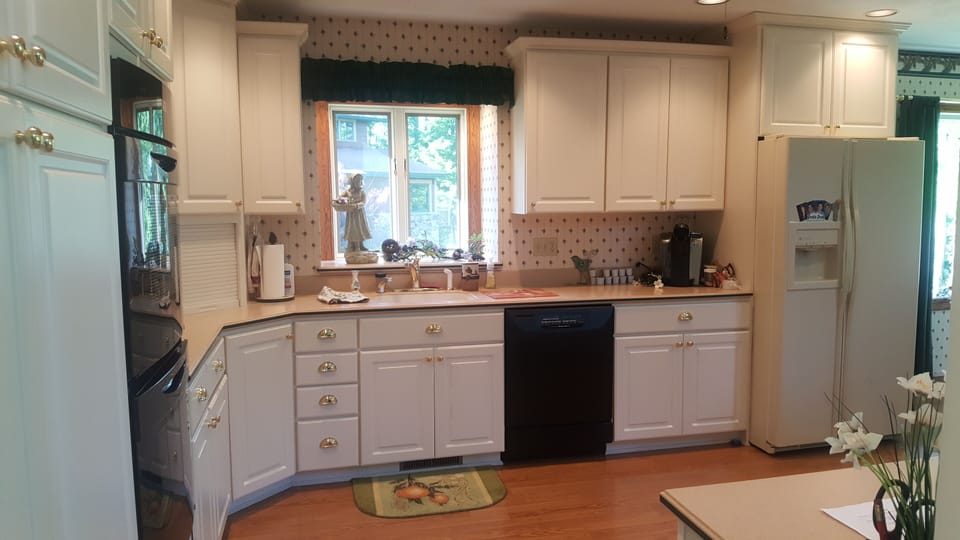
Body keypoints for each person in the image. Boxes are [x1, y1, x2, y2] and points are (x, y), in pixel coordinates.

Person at [333, 173, 372, 252]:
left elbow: (363, 202)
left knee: (360, 228)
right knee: (352, 229)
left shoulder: (362, 192)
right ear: (352, 182)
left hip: (359, 214)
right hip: (351, 214)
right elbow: (338, 199)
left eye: (360, 180)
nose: (359, 182)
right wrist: (340, 202)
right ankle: (352, 246)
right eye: (357, 181)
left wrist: (357, 205)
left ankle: (360, 245)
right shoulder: (347, 192)